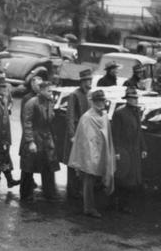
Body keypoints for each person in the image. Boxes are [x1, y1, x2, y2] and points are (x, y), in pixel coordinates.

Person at [68, 90, 116, 218]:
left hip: (102, 152)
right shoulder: (87, 118)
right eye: (98, 101)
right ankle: (88, 207)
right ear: (93, 102)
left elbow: (108, 136)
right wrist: (90, 158)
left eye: (102, 101)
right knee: (89, 180)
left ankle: (97, 203)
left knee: (101, 179)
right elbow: (84, 141)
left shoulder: (104, 116)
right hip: (90, 155)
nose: (101, 104)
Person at [20, 81, 60, 201]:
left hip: (46, 138)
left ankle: (50, 193)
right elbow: (27, 123)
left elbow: (51, 120)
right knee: (29, 167)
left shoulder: (49, 102)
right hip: (34, 137)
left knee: (49, 166)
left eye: (51, 91)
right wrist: (30, 141)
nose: (51, 93)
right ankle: (25, 194)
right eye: (48, 91)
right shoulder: (32, 103)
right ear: (41, 90)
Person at [111, 87, 147, 214]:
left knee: (133, 179)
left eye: (136, 98)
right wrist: (116, 152)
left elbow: (139, 131)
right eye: (132, 98)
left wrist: (143, 148)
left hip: (135, 150)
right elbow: (115, 135)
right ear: (127, 100)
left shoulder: (136, 112)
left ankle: (126, 204)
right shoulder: (120, 113)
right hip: (124, 150)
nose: (135, 100)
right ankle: (119, 204)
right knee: (123, 177)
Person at [63, 69, 93, 199]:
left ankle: (79, 189)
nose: (89, 83)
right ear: (81, 82)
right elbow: (69, 117)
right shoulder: (74, 95)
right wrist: (72, 135)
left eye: (90, 80)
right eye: (87, 81)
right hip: (76, 134)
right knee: (72, 162)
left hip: (85, 133)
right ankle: (72, 190)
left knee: (82, 162)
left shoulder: (89, 95)